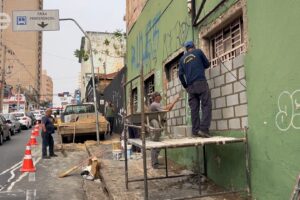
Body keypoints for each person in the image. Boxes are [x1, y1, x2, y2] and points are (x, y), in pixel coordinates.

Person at [179, 41, 212, 138]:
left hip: (190, 87)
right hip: (201, 82)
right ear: (193, 46)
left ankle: (195, 131)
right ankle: (204, 130)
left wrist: (186, 86)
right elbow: (207, 64)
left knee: (194, 109)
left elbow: (180, 75)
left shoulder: (182, 59)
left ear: (186, 49)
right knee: (206, 105)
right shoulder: (198, 52)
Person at [150, 92, 179, 169]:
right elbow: (167, 109)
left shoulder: (157, 104)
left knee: (157, 145)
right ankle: (155, 164)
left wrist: (172, 103)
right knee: (155, 145)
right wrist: (174, 101)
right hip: (156, 128)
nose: (161, 96)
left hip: (158, 127)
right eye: (159, 95)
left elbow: (167, 108)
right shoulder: (154, 104)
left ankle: (155, 163)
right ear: (156, 97)